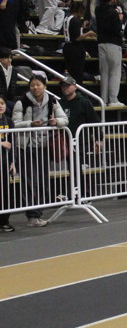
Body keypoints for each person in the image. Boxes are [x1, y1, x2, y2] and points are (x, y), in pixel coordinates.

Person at [12, 75, 69, 227]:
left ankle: (39, 213)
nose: (35, 88)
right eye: (32, 85)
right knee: (29, 182)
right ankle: (32, 216)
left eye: (38, 84)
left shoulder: (52, 101)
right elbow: (15, 124)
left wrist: (56, 121)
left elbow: (65, 119)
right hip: (26, 147)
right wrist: (30, 124)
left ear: (45, 86)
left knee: (42, 181)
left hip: (44, 146)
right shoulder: (22, 102)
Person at [94, 0, 125, 106]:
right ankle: (113, 99)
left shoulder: (98, 9)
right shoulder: (114, 12)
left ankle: (104, 99)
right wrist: (120, 19)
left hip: (101, 42)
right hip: (113, 43)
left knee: (104, 72)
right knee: (115, 72)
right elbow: (117, 29)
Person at [0, 93, 14, 232]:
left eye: (2, 103)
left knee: (5, 192)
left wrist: (12, 162)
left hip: (4, 161)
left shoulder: (9, 121)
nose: (0, 106)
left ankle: (4, 221)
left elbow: (12, 143)